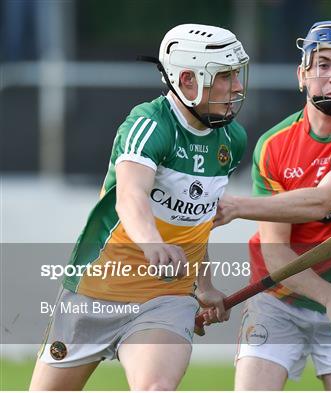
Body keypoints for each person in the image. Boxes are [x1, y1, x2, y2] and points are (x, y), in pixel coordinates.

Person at [29, 23, 249, 390]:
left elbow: (196, 218)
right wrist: (151, 243)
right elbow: (130, 198)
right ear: (188, 80)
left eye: (237, 75)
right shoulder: (149, 123)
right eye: (225, 76)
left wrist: (203, 286)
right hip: (95, 291)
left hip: (166, 298)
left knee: (155, 388)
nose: (238, 87)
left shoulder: (232, 139)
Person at [213, 21, 331, 390]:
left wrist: (236, 206)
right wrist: (328, 296)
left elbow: (323, 201)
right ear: (302, 74)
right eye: (323, 64)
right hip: (278, 300)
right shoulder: (273, 145)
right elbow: (277, 256)